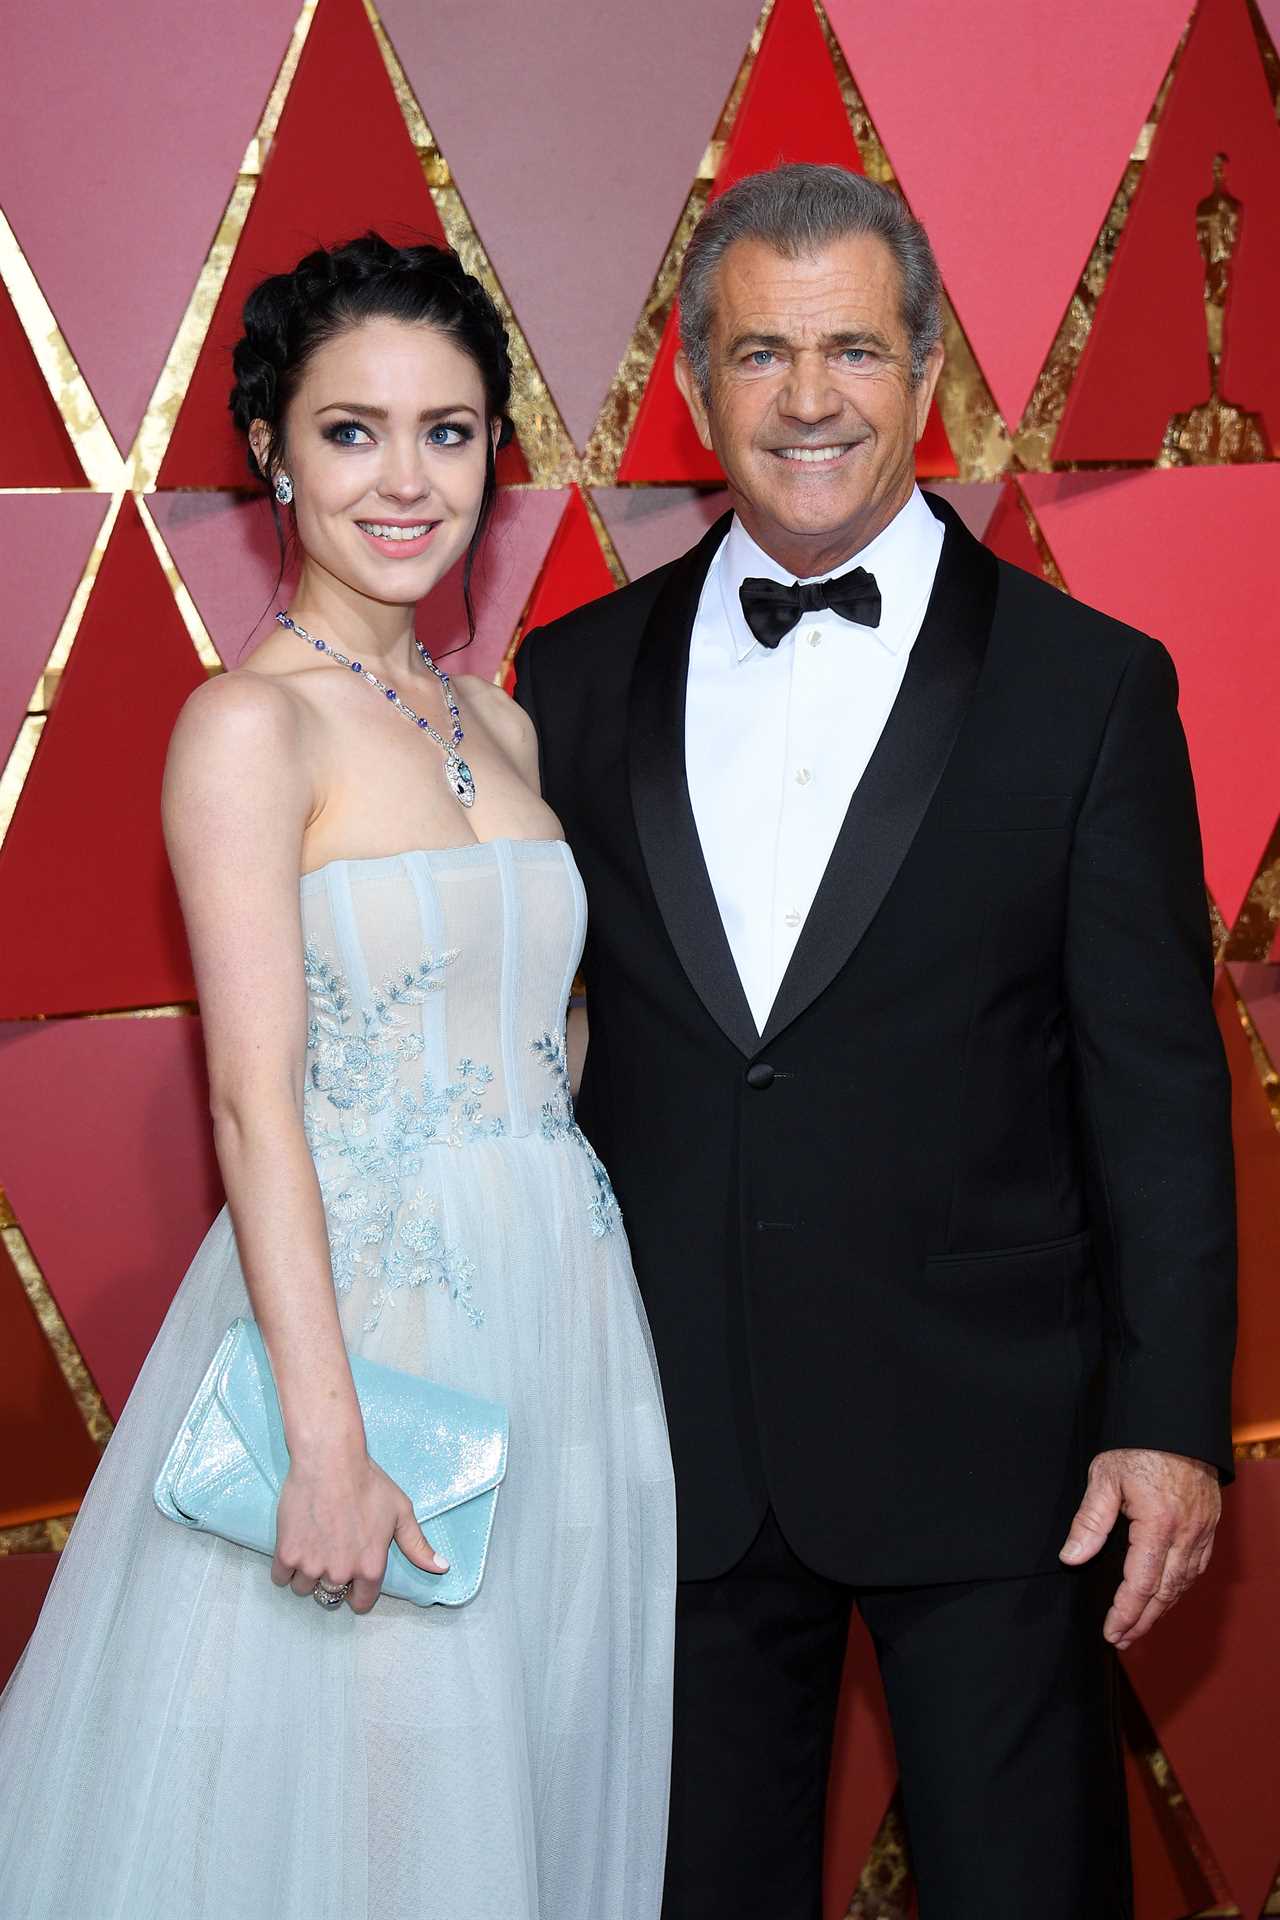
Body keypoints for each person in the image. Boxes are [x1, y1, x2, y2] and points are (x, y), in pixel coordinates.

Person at [515, 163, 1236, 1918]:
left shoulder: (1093, 686)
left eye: (854, 348)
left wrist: (1171, 1420)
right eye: (763, 354)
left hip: (1000, 1450)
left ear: (928, 375)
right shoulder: (572, 677)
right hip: (668, 1435)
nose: (810, 398)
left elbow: (1157, 1088)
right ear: (695, 389)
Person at [0, 234, 675, 1920]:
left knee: (527, 1767)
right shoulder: (248, 728)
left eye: (450, 434)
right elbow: (251, 1101)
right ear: (272, 454)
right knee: (374, 1810)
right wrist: (325, 1434)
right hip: (372, 1333)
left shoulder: (499, 726)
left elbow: (537, 1033)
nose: (406, 478)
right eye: (352, 430)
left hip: (567, 1318)